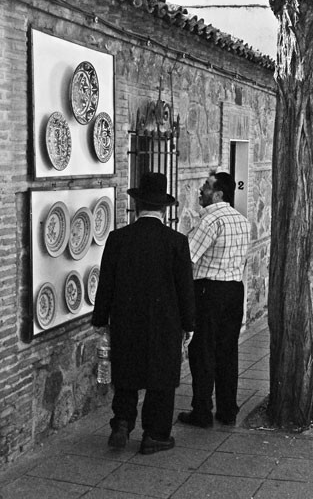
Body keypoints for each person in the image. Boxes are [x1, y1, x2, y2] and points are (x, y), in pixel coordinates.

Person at [91, 172, 196, 455]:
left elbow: (106, 284)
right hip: (165, 322)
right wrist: (189, 324)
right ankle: (155, 434)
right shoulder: (176, 242)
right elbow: (185, 288)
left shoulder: (118, 239)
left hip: (126, 319)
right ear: (164, 208)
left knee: (126, 373)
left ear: (137, 206)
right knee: (161, 380)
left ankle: (122, 422)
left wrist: (100, 319)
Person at [179, 171, 250, 428]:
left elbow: (188, 256)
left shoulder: (210, 221)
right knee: (227, 350)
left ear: (218, 194)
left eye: (207, 187)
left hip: (209, 291)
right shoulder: (242, 221)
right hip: (234, 290)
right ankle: (228, 409)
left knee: (202, 350)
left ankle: (202, 410)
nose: (201, 190)